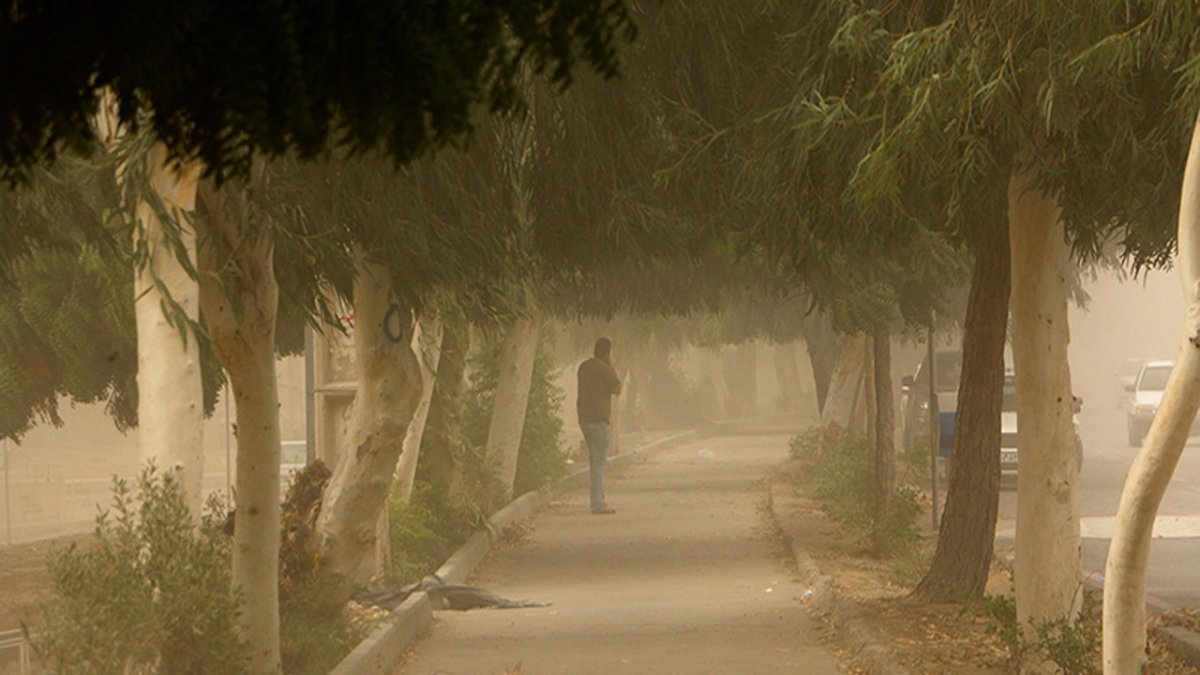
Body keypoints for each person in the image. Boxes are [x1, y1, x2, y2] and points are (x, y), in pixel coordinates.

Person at [577, 337, 623, 515]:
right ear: (607, 352)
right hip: (599, 420)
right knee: (599, 462)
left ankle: (598, 498)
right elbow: (617, 389)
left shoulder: (583, 367)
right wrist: (610, 364)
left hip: (584, 419)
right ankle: (597, 502)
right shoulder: (604, 368)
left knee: (594, 460)